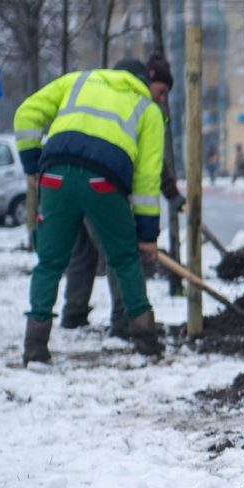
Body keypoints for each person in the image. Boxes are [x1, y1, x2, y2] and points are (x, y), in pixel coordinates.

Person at [15, 58, 166, 364]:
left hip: (55, 175)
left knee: (49, 263)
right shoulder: (147, 109)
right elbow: (148, 179)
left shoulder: (78, 80)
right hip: (104, 183)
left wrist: (33, 165)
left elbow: (26, 113)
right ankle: (146, 341)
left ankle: (35, 347)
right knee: (125, 259)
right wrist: (148, 235)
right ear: (143, 82)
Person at [59, 55, 185, 337]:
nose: (162, 99)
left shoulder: (101, 90)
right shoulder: (136, 105)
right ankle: (123, 321)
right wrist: (171, 195)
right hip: (99, 186)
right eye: (161, 91)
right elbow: (149, 165)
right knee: (119, 252)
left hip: (67, 180)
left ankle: (73, 314)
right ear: (148, 79)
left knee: (84, 253)